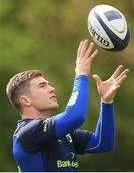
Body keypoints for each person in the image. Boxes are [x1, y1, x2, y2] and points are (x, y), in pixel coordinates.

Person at [6, 40, 129, 172]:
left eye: (48, 84)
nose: (52, 88)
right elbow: (74, 117)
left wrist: (106, 102)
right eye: (42, 86)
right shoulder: (27, 133)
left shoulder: (61, 133)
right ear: (25, 100)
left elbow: (103, 143)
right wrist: (81, 74)